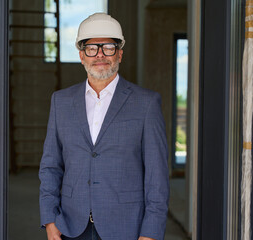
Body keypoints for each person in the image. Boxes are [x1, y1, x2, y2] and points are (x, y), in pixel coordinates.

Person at [39, 13, 169, 240]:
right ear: (81, 55)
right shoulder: (60, 102)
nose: (100, 55)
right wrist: (50, 220)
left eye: (108, 47)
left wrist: (151, 233)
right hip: (69, 227)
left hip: (126, 228)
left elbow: (156, 177)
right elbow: (51, 166)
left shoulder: (146, 103)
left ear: (120, 53)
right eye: (91, 48)